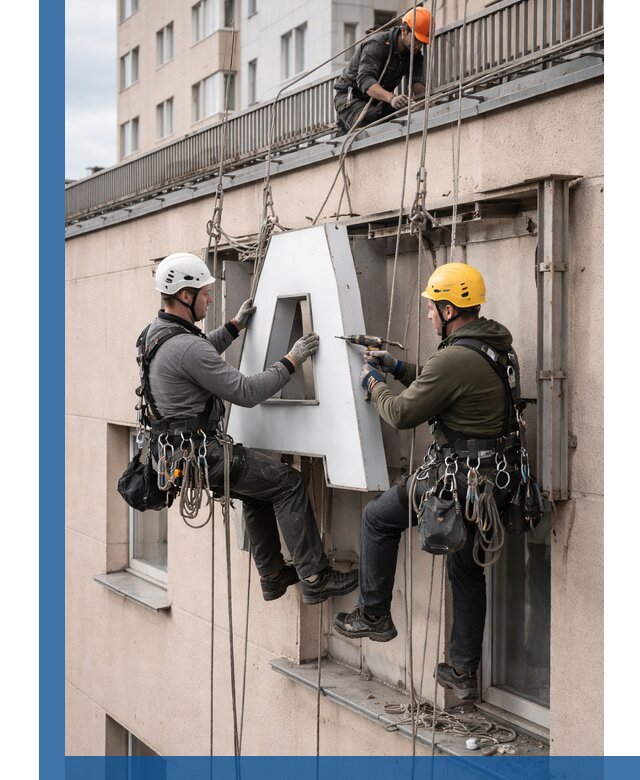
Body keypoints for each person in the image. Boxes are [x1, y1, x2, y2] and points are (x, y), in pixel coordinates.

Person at [333, 263, 521, 702]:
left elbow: (402, 413)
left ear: (450, 307)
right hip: (493, 480)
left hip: (458, 479)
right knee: (465, 569)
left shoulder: (454, 356)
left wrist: (375, 382)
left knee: (378, 517)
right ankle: (462, 670)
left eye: (433, 309)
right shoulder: (495, 346)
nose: (430, 316)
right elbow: (450, 385)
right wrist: (399, 366)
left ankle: (373, 613)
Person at [145, 252, 359, 604]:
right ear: (186, 296)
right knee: (288, 484)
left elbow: (196, 355)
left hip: (176, 453)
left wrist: (233, 327)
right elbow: (246, 392)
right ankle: (315, 576)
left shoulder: (157, 335)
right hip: (203, 453)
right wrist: (292, 360)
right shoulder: (185, 346)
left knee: (257, 490)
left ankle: (273, 575)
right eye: (204, 292)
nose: (209, 297)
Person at [333, 8, 431, 133]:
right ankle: (344, 128)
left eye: (422, 42)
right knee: (370, 126)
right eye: (416, 39)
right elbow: (365, 81)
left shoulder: (415, 55)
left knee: (401, 115)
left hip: (378, 102)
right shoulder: (376, 44)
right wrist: (392, 98)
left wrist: (427, 100)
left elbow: (417, 85)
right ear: (404, 31)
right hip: (351, 98)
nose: (418, 45)